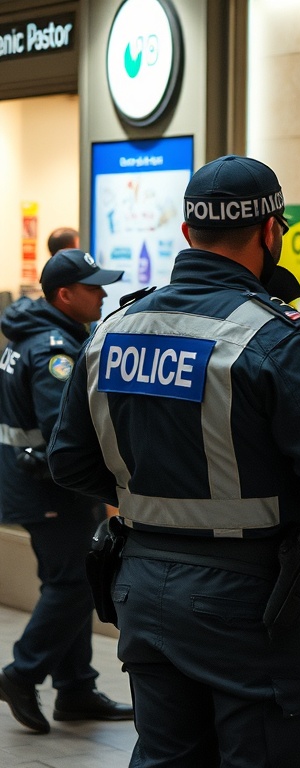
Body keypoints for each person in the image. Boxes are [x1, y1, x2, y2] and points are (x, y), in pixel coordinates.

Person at [47, 155, 300, 768]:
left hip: (142, 582)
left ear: (187, 232)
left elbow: (68, 461)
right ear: (271, 231)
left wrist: (155, 496)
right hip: (248, 598)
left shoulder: (113, 329)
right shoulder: (275, 337)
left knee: (165, 756)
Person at [0, 248, 132, 734]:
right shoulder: (53, 350)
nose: (103, 296)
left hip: (37, 487)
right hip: (52, 491)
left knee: (71, 581)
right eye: (93, 288)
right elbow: (66, 434)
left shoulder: (31, 336)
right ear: (64, 295)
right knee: (73, 584)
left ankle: (75, 688)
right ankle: (21, 673)